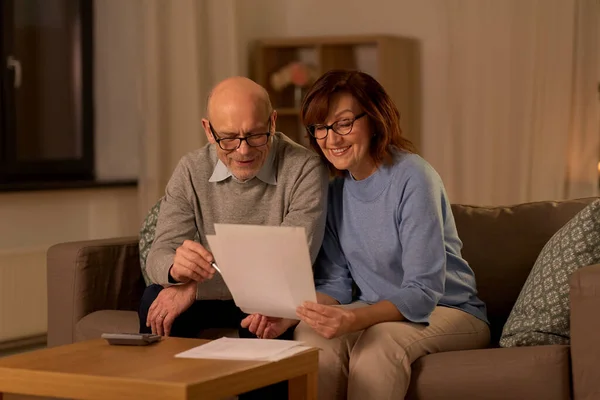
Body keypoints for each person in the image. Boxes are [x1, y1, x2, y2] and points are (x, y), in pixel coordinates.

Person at [245, 70, 491, 399]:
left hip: (447, 309)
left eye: (344, 123)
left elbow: (423, 290)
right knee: (312, 340)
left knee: (376, 349)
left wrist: (355, 319)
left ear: (374, 119)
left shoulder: (414, 177)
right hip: (372, 308)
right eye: (321, 127)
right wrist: (291, 313)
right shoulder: (333, 193)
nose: (332, 139)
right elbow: (336, 284)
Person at [138, 76, 328, 398]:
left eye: (255, 135)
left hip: (269, 295)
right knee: (154, 300)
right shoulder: (190, 169)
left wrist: (196, 288)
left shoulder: (305, 168)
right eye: (227, 138)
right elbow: (160, 254)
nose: (242, 151)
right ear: (208, 130)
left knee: (263, 318)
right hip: (216, 293)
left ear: (272, 121)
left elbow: (285, 264)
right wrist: (176, 271)